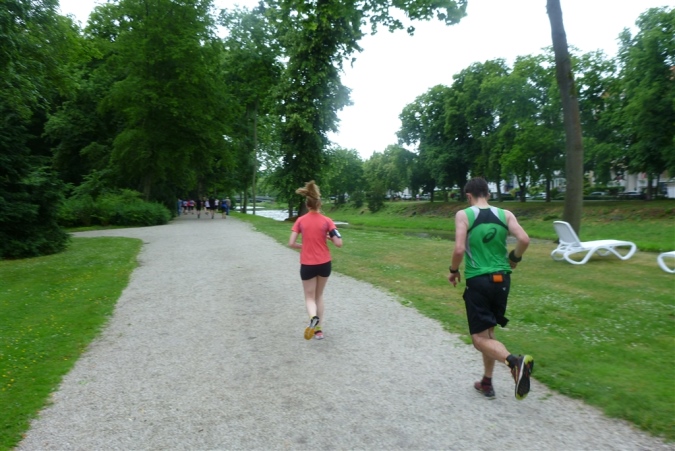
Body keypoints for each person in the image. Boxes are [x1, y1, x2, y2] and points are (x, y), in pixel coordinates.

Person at [448, 177, 533, 400]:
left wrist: (453, 270)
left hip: (479, 280)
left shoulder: (464, 215)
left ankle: (514, 362)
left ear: (469, 196)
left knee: (479, 339)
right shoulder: (506, 214)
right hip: (502, 281)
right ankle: (486, 382)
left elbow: (459, 249)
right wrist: (514, 258)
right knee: (489, 333)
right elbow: (524, 239)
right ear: (488, 193)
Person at [288, 181, 343, 340]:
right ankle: (318, 330)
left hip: (307, 264)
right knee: (319, 295)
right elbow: (339, 243)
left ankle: (313, 318)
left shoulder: (300, 221)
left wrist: (303, 246)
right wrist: (330, 238)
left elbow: (291, 243)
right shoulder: (328, 221)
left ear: (307, 205)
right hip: (324, 263)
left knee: (309, 297)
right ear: (319, 204)